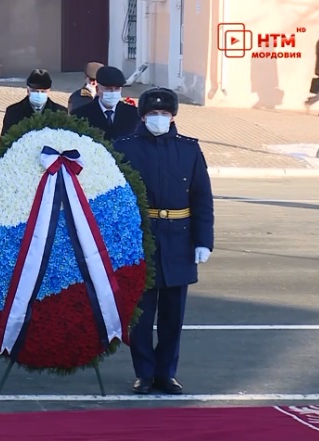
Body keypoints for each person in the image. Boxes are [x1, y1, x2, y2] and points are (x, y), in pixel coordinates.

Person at [112, 87, 214, 395]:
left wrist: (203, 240)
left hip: (178, 240)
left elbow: (201, 198)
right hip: (141, 238)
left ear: (173, 117)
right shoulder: (125, 147)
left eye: (165, 114)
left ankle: (166, 373)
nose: (159, 119)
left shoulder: (189, 149)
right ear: (143, 116)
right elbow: (113, 199)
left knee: (173, 315)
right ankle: (144, 373)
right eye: (153, 114)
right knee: (140, 316)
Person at [71, 65, 139, 141]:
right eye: (108, 89)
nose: (113, 93)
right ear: (97, 89)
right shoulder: (80, 115)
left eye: (117, 89)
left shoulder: (134, 114)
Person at [0, 69, 66, 138]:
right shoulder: (13, 112)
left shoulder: (60, 112)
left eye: (43, 91)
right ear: (28, 90)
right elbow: (4, 140)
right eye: (35, 91)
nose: (39, 94)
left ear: (49, 91)